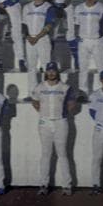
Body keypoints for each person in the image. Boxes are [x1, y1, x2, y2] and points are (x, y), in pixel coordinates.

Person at [31, 61, 76, 195]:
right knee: (45, 154)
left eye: (53, 70)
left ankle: (67, 185)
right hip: (45, 123)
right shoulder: (39, 87)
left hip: (60, 122)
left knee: (62, 154)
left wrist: (61, 114)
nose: (51, 73)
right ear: (46, 72)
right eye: (49, 71)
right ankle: (43, 185)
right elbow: (35, 101)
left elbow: (71, 104)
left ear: (57, 72)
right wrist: (44, 114)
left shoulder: (65, 87)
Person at [73, 0, 103, 97]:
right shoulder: (79, 8)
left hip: (97, 41)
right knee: (83, 68)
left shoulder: (102, 8)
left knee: (101, 67)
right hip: (83, 41)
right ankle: (83, 92)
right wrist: (77, 35)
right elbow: (76, 24)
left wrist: (102, 34)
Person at [21, 0, 58, 98]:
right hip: (30, 39)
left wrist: (37, 37)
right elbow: (24, 24)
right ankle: (32, 93)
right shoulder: (27, 7)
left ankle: (46, 93)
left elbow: (49, 25)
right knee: (31, 67)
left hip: (42, 39)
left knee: (46, 67)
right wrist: (27, 36)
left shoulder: (49, 7)